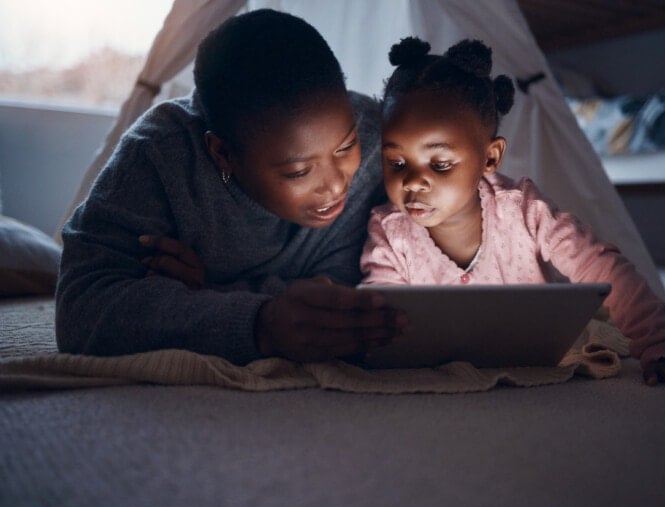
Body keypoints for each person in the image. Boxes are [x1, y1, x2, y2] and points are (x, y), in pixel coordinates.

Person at [360, 37, 665, 395]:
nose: (413, 182)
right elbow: (384, 310)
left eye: (440, 164)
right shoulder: (390, 230)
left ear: (490, 157)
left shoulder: (523, 209)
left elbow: (603, 268)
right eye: (395, 161)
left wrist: (662, 346)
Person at [56, 9, 405, 365]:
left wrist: (207, 292)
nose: (335, 185)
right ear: (222, 154)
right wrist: (262, 325)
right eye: (299, 171)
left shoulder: (380, 139)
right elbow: (79, 311)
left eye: (346, 147)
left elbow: (365, 291)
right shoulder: (159, 156)